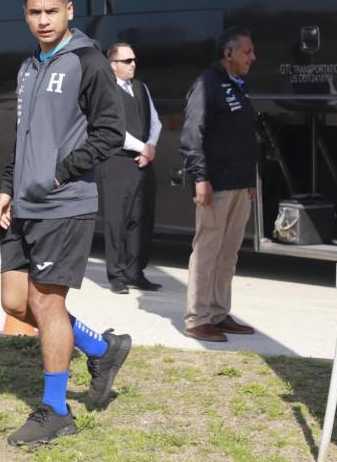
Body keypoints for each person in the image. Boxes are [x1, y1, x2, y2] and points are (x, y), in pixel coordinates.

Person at [0, 0, 132, 446]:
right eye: (35, 12)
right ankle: (100, 347)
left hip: (63, 204)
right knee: (15, 301)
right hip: (26, 204)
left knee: (47, 303)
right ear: (25, 15)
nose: (44, 20)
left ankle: (55, 410)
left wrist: (62, 172)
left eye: (53, 11)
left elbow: (111, 132)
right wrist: (9, 186)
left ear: (69, 11)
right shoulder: (29, 67)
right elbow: (23, 135)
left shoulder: (88, 62)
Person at [178, 27, 259, 342]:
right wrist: (201, 177)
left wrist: (249, 180)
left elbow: (242, 137)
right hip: (216, 184)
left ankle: (218, 312)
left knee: (228, 252)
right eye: (247, 51)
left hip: (239, 184)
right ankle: (198, 318)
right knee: (207, 251)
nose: (253, 57)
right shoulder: (206, 84)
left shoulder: (238, 85)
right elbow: (191, 135)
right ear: (229, 53)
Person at [98, 43, 163, 294]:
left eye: (134, 60)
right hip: (117, 163)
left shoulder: (141, 87)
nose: (133, 64)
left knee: (141, 219)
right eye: (127, 61)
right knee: (117, 221)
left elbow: (155, 121)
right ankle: (116, 275)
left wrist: (151, 147)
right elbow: (113, 131)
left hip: (143, 163)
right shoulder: (105, 91)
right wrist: (143, 148)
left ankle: (136, 272)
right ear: (113, 65)